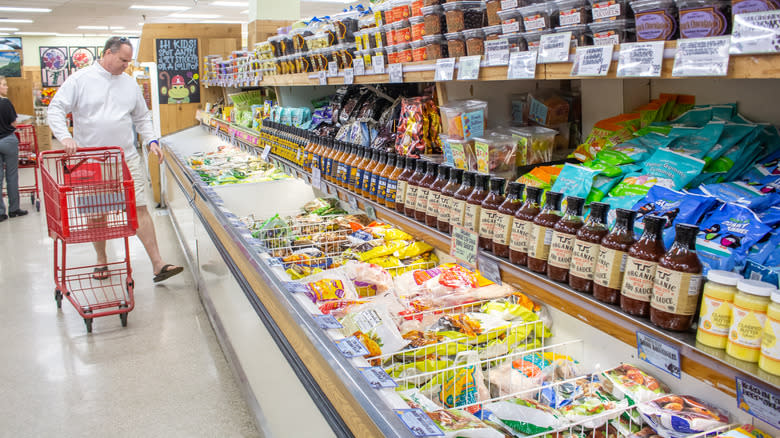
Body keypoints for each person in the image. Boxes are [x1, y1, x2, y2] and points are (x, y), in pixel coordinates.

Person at [48, 36, 183, 283]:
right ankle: (102, 261)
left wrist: (152, 140)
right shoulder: (80, 80)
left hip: (126, 157)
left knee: (139, 207)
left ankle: (158, 264)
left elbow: (142, 117)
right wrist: (65, 137)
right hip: (92, 160)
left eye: (129, 61)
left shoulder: (129, 83)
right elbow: (55, 109)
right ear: (107, 54)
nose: (126, 65)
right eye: (123, 60)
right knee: (97, 213)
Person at [0, 76, 26, 222]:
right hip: (8, 141)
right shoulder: (5, 103)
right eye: (4, 85)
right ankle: (14, 209)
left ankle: (0, 212)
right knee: (11, 176)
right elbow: (14, 123)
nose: (6, 87)